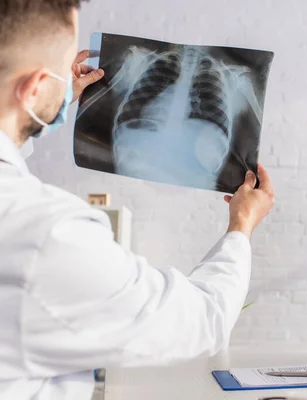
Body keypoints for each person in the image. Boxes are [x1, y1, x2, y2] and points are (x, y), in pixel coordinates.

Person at [0, 1, 274, 399]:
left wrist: (47, 112)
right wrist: (241, 226)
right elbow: (203, 321)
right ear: (35, 86)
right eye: (62, 73)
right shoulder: (47, 236)